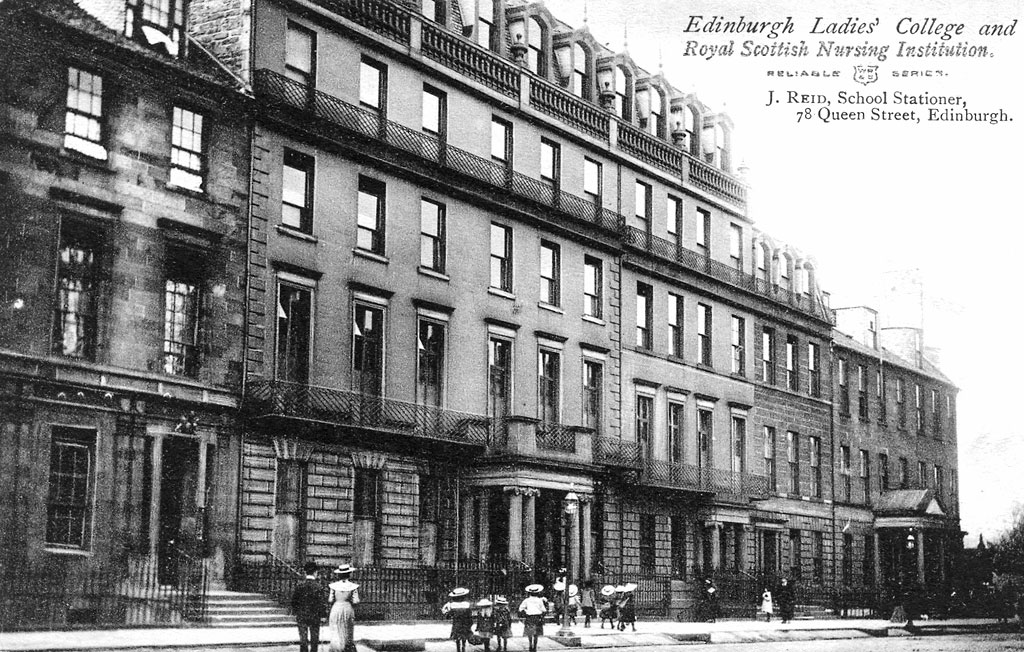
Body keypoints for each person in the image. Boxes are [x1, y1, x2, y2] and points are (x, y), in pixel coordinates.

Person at [292, 562, 326, 652]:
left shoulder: (299, 586)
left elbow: (294, 601)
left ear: (305, 572)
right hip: (315, 616)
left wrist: (295, 612)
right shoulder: (319, 587)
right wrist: (323, 615)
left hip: (302, 615)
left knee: (303, 638)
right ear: (315, 572)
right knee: (314, 639)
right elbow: (322, 603)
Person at [327, 564, 359, 652]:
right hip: (347, 608)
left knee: (336, 628)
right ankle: (346, 648)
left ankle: (337, 648)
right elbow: (356, 601)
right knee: (347, 629)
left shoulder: (333, 586)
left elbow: (330, 600)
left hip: (336, 608)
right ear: (349, 574)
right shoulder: (353, 586)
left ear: (339, 575)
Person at [518, 584, 548, 652]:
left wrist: (526, 611)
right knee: (536, 634)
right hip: (537, 617)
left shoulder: (526, 600)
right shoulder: (539, 600)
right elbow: (544, 610)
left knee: (530, 633)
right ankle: (534, 646)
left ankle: (530, 644)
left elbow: (520, 608)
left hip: (530, 617)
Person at [442, 587, 474, 652]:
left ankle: (458, 649)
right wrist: (470, 624)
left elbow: (449, 615)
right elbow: (469, 616)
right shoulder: (467, 605)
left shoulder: (452, 606)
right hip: (465, 624)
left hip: (457, 624)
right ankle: (463, 648)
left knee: (457, 638)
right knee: (464, 637)